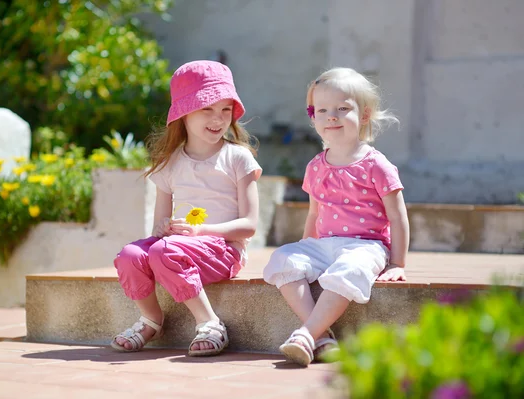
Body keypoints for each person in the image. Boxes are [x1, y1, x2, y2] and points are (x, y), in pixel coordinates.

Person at [111, 60, 262, 357]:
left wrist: (199, 232)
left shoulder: (237, 158)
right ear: (183, 112)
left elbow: (249, 224)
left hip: (224, 250)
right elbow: (159, 227)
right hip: (177, 249)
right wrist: (163, 230)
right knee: (130, 255)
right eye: (207, 108)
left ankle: (210, 323)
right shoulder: (170, 164)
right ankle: (151, 319)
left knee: (163, 250)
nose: (218, 118)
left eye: (225, 110)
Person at [263, 67, 409, 366]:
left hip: (365, 246)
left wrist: (397, 262)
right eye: (323, 110)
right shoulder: (316, 166)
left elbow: (398, 216)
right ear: (313, 116)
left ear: (364, 116)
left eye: (343, 109)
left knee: (351, 269)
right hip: (324, 245)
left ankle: (306, 334)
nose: (332, 116)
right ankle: (322, 336)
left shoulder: (376, 165)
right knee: (283, 259)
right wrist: (305, 251)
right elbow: (315, 212)